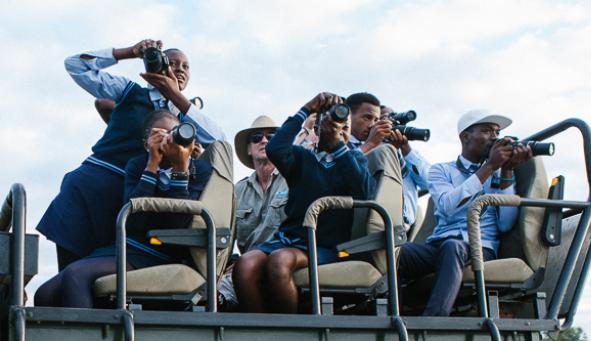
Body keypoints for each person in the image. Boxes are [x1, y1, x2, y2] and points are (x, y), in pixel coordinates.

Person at [37, 39, 225, 271]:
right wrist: (129, 52)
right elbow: (75, 65)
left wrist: (175, 96)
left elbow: (219, 141)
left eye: (186, 66)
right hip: (90, 187)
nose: (179, 69)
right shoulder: (130, 92)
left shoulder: (187, 118)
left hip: (128, 200)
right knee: (68, 271)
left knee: (99, 277)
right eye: (172, 62)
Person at [34, 110, 213, 308]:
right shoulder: (137, 165)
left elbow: (178, 225)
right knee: (45, 294)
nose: (170, 140)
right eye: (161, 135)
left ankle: (86, 339)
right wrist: (152, 165)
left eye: (174, 133)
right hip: (127, 247)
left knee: (76, 275)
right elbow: (134, 221)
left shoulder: (198, 171)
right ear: (147, 144)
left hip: (162, 252)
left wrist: (180, 170)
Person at [233, 92, 374, 313]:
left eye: (345, 128)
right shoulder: (303, 158)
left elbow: (364, 192)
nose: (339, 132)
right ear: (318, 129)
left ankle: (290, 332)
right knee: (244, 265)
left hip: (325, 245)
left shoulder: (353, 159)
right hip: (289, 238)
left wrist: (337, 147)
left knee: (280, 263)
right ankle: (260, 330)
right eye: (333, 126)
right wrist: (307, 108)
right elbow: (275, 148)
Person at [397, 110, 533, 316]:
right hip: (438, 245)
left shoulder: (497, 172)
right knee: (396, 251)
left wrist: (506, 172)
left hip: (478, 248)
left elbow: (505, 224)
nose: (494, 138)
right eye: (487, 131)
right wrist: (489, 167)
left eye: (497, 132)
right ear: (465, 137)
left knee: (453, 248)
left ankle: (433, 322)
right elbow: (446, 206)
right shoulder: (441, 171)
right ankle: (395, 314)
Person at [216, 115, 289, 310]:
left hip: (284, 258)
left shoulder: (294, 179)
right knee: (212, 293)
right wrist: (227, 264)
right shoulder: (237, 191)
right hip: (246, 265)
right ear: (248, 148)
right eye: (257, 137)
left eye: (272, 137)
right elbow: (226, 237)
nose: (264, 141)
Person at [380, 105, 431, 229]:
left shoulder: (408, 155)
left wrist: (406, 150)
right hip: (378, 221)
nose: (392, 122)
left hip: (403, 227)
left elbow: (430, 183)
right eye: (385, 118)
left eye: (394, 117)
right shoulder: (367, 148)